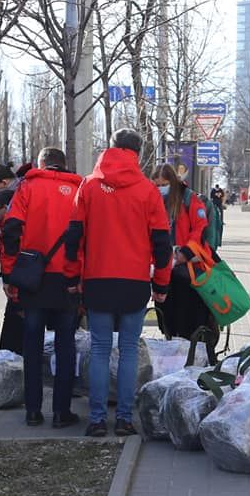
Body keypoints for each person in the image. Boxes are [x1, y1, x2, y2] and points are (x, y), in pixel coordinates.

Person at [63, 129, 172, 438]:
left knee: (98, 349)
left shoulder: (89, 186)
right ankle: (124, 418)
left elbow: (74, 238)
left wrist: (73, 277)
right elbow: (162, 244)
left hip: (97, 280)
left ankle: (96, 419)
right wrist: (161, 286)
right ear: (137, 154)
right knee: (127, 350)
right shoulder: (147, 190)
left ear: (110, 148)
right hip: (134, 282)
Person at [2, 148, 83, 428]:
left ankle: (33, 410)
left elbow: (11, 230)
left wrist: (10, 274)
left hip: (33, 279)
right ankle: (62, 411)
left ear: (42, 165)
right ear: (64, 164)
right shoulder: (80, 191)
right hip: (67, 279)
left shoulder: (27, 188)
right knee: (65, 345)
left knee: (32, 345)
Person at [153, 165, 219, 362]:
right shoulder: (153, 201)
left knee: (190, 320)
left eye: (164, 184)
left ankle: (195, 359)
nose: (160, 188)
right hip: (165, 271)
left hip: (189, 271)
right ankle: (175, 358)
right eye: (156, 185)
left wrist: (184, 253)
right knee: (168, 320)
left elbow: (199, 229)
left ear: (173, 182)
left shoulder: (189, 199)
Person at [0, 164, 23, 355]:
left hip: (20, 277)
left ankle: (10, 364)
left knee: (15, 325)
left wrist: (9, 279)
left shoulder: (15, 201)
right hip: (21, 275)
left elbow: (11, 247)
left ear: (4, 182)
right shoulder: (17, 195)